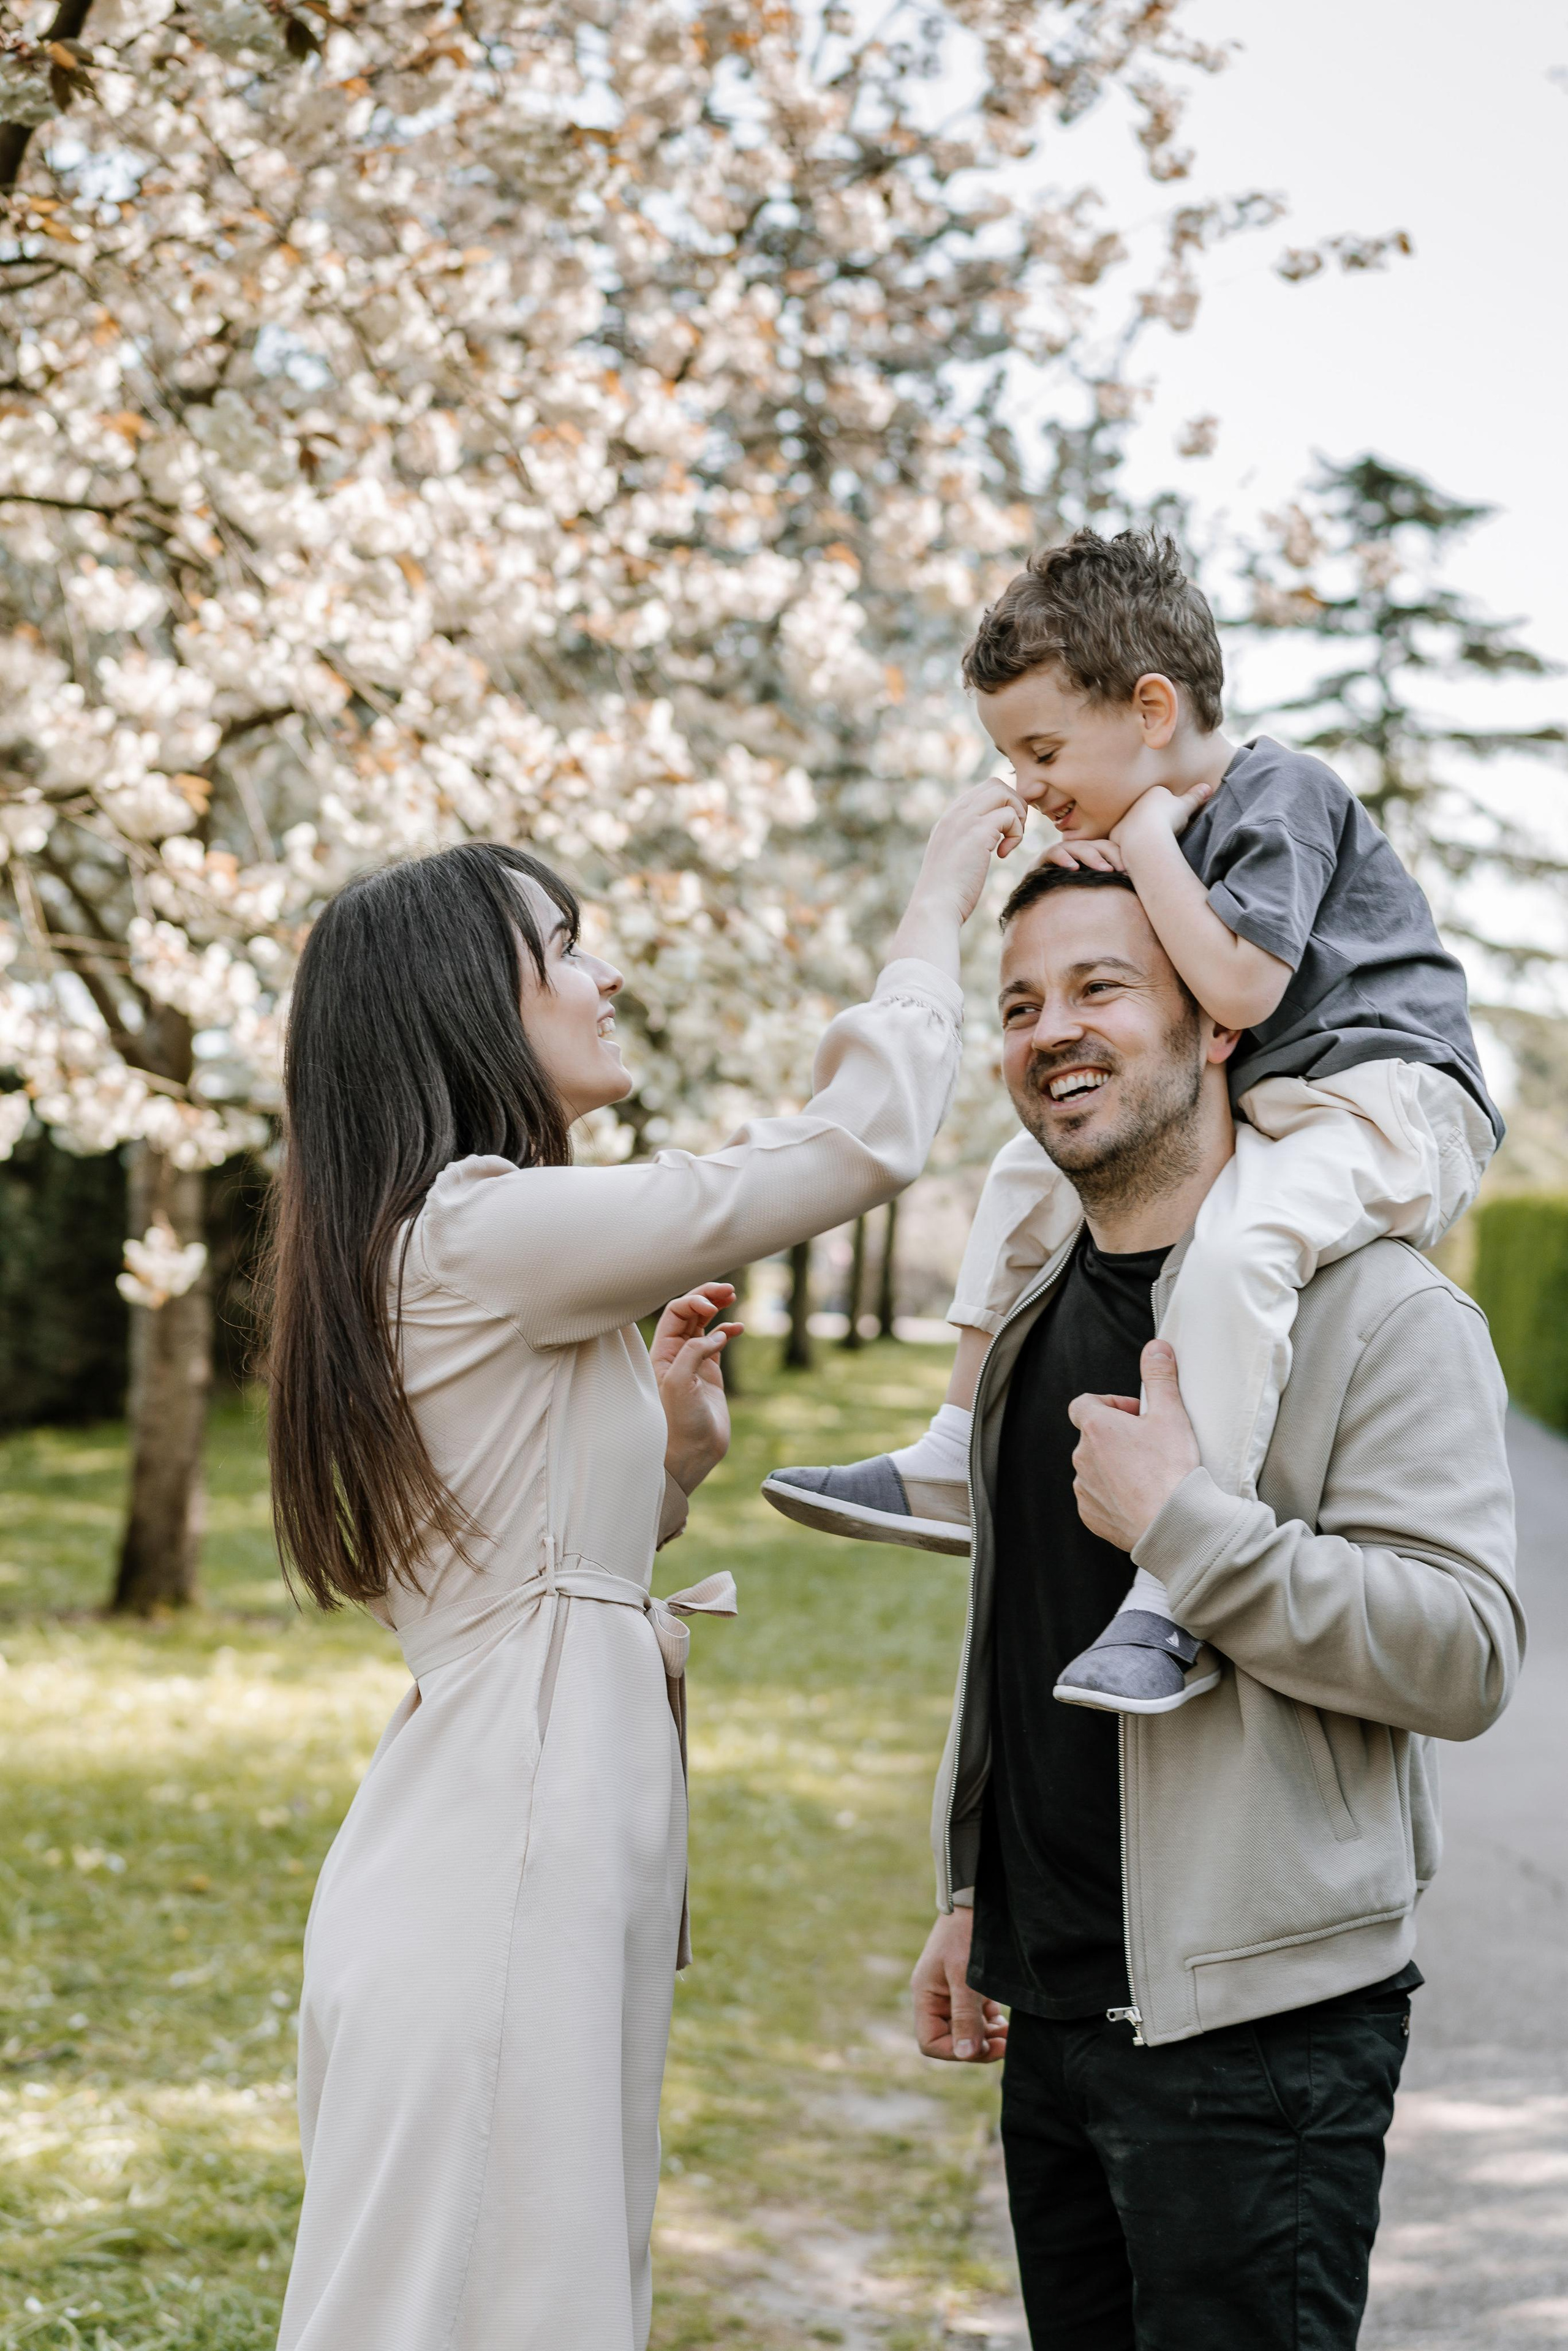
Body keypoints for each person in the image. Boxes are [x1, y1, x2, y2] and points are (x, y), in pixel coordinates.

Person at [263, 777, 1026, 2351]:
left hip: (505, 1834)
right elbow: (850, 1144)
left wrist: (661, 1464)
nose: (610, 979)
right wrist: (934, 901)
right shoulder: (479, 1226)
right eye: (569, 947)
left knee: (513, 2293)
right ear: (468, 1005)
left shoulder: (441, 1240)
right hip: (501, 1860)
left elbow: (496, 1547)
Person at [907, 861, 1520, 2349]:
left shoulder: (1377, 1310)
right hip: (1050, 2012)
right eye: (1019, 1002)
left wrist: (1189, 1530)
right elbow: (1023, 1626)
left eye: (1101, 987)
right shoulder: (1031, 1303)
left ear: (1221, 1023)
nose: (1053, 1029)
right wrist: (973, 1889)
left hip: (1259, 2042)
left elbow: (1464, 1650)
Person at [762, 529, 1502, 1714]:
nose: (1030, 785)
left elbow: (1245, 990)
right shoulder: (1158, 833)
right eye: (1011, 757)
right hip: (1284, 1097)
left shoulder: (1278, 789)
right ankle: (956, 1444)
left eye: (1044, 749)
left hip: (1385, 1098)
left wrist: (1149, 840)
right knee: (1020, 1168)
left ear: (1153, 707)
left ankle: (1171, 1588)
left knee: (1243, 1250)